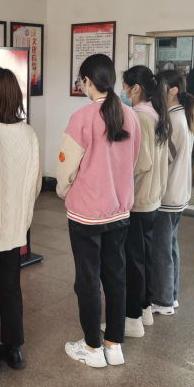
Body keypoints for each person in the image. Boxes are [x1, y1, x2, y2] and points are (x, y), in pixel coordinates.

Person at [56, 54, 141, 368]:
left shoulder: (82, 117)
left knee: (88, 280)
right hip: (119, 210)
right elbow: (134, 160)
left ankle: (92, 348)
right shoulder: (129, 115)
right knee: (116, 276)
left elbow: (66, 167)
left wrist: (64, 191)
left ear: (87, 81)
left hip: (86, 214)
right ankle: (113, 344)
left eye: (82, 81)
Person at [0, 67, 41, 376]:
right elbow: (35, 184)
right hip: (17, 227)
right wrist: (22, 215)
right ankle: (14, 350)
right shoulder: (29, 133)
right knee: (11, 287)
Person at [115, 66, 170, 338]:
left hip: (139, 199)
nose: (123, 91)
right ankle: (145, 309)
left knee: (133, 261)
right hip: (153, 198)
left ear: (135, 88)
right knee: (144, 257)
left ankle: (132, 319)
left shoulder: (138, 116)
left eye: (125, 86)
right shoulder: (156, 113)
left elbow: (140, 162)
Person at [151, 70, 194, 315]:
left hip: (168, 194)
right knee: (169, 246)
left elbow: (163, 159)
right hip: (178, 193)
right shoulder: (182, 116)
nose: (155, 91)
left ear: (173, 90)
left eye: (158, 86)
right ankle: (172, 295)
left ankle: (163, 300)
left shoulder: (172, 120)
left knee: (161, 250)